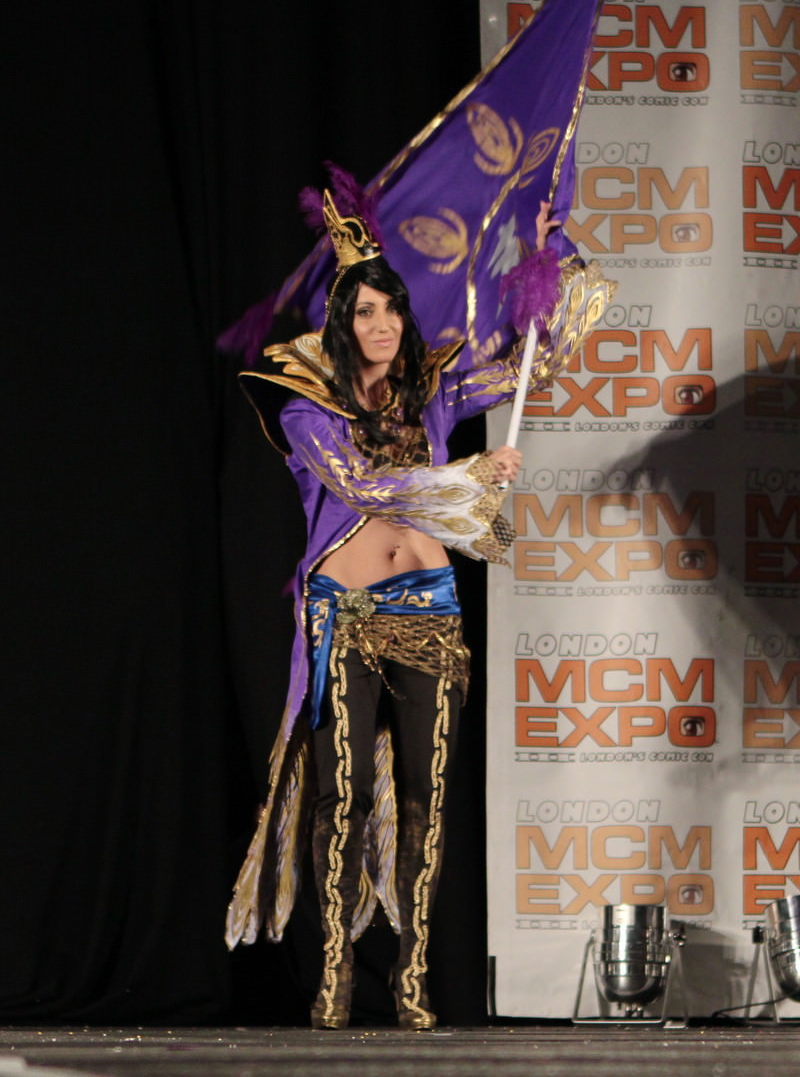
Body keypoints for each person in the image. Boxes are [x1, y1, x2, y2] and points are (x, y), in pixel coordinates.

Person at [225, 189, 612, 1029]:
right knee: (344, 795)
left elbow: (539, 362)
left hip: (430, 615)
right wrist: (469, 480)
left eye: (391, 308)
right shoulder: (306, 407)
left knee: (425, 801)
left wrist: (556, 257)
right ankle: (335, 970)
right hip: (347, 614)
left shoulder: (432, 393)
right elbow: (364, 486)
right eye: (365, 311)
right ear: (341, 323)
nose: (383, 324)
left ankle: (412, 977)